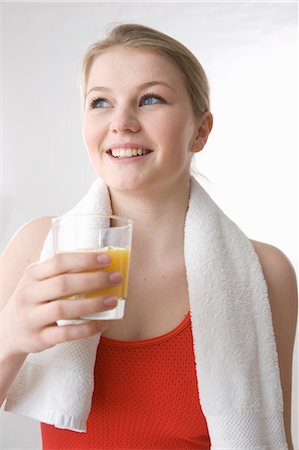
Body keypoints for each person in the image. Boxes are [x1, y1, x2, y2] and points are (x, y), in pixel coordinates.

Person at [0, 24, 297, 449]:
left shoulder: (267, 273)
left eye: (150, 99)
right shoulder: (39, 248)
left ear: (201, 130)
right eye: (100, 102)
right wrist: (8, 338)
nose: (121, 123)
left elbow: (272, 439)